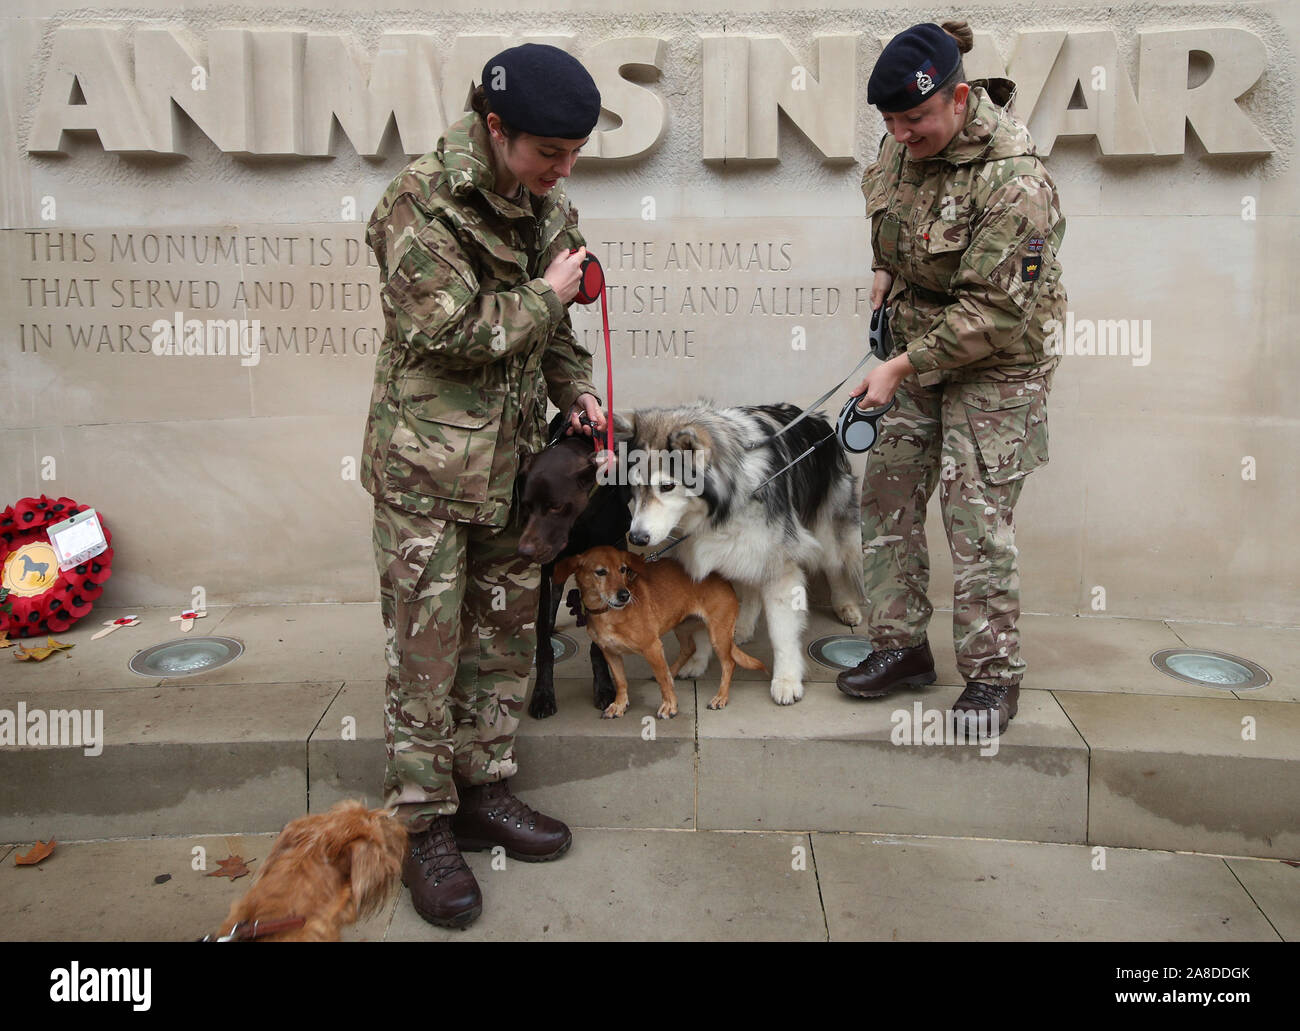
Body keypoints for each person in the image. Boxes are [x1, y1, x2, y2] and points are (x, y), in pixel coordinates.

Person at [360, 43, 606, 928]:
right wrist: (546, 292)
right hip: (425, 473)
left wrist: (577, 396)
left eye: (575, 153)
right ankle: (420, 822)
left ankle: (483, 786)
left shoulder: (546, 200)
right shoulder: (418, 203)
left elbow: (561, 330)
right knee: (426, 651)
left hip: (511, 471)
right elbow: (451, 330)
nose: (564, 169)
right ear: (497, 129)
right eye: (550, 152)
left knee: (502, 635)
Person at [838, 21, 1066, 734]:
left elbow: (995, 311)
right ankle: (900, 647)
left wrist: (897, 365)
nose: (902, 134)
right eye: (891, 122)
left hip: (998, 366)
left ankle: (994, 676)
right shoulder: (900, 147)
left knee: (974, 518)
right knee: (886, 497)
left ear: (959, 97)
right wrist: (883, 270)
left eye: (915, 119)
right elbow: (891, 214)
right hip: (916, 355)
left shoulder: (1018, 180)